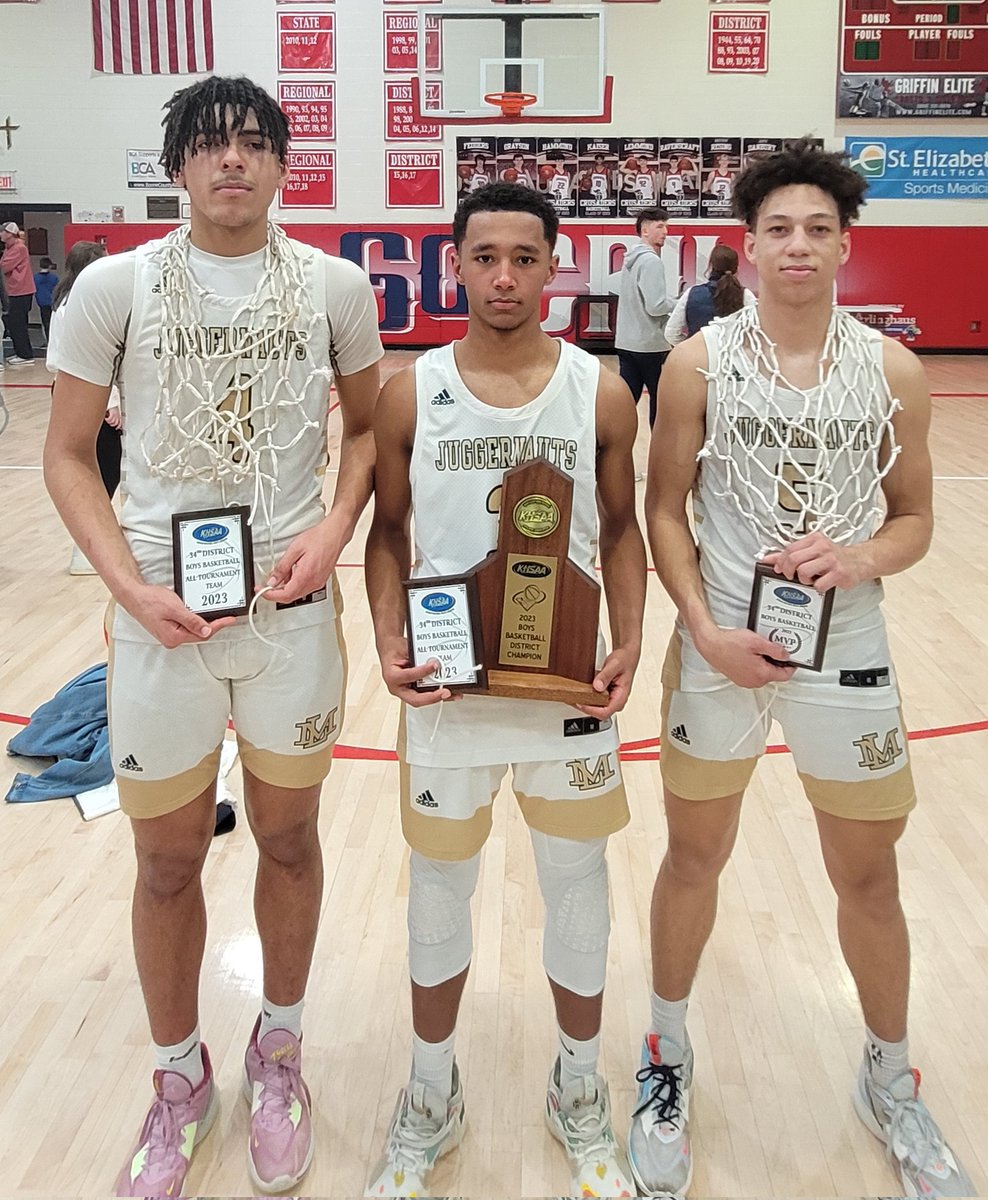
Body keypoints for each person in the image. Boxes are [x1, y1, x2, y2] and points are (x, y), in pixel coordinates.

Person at [43, 75, 383, 1197]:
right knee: (166, 859)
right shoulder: (111, 285)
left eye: (252, 145)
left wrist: (332, 528)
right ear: (176, 166)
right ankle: (177, 1077)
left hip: (288, 619)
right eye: (209, 146)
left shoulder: (335, 286)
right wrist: (128, 586)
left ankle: (277, 1050)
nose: (231, 162)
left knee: (288, 841)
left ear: (284, 166)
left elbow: (372, 432)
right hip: (159, 623)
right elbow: (65, 453)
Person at [632, 138, 973, 1197]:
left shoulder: (894, 371)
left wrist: (861, 554)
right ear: (745, 246)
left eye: (816, 229)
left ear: (842, 246)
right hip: (722, 649)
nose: (796, 245)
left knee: (868, 875)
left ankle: (888, 1076)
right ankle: (665, 1059)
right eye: (777, 228)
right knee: (695, 858)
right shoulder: (696, 362)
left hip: (848, 651)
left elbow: (915, 517)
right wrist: (700, 628)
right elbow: (662, 512)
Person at [364, 181, 646, 1198]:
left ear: (553, 266)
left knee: (577, 891)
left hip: (565, 688)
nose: (502, 276)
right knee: (438, 896)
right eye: (483, 255)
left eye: (524, 257)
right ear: (454, 265)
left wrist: (631, 640)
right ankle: (430, 1096)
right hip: (450, 694)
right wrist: (389, 637)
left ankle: (578, 1088)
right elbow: (386, 533)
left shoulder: (599, 391)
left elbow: (620, 530)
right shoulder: (411, 389)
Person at [46, 241, 125, 574]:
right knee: (100, 469)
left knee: (105, 467)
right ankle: (88, 547)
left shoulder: (66, 300)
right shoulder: (80, 304)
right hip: (89, 395)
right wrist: (112, 403)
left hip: (73, 390)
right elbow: (88, 366)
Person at [614, 206, 673, 430]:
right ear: (645, 231)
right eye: (660, 226)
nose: (666, 231)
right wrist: (679, 303)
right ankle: (658, 459)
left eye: (666, 226)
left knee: (625, 405)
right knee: (661, 406)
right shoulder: (651, 262)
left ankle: (609, 454)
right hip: (650, 345)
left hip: (626, 342)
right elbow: (656, 307)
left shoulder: (631, 258)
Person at [664, 244, 755, 346]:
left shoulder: (691, 293)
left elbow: (671, 334)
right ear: (737, 268)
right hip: (733, 359)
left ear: (711, 266)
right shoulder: (746, 296)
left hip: (699, 358)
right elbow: (757, 332)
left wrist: (690, 348)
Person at [0, 220, 36, 363]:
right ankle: (21, 352)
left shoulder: (19, 248)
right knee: (16, 323)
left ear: (10, 234)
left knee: (17, 323)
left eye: (3, 231)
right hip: (15, 290)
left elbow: (4, 267)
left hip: (21, 291)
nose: (1, 234)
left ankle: (25, 355)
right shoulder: (9, 248)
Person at [34, 256, 59, 343]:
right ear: (50, 266)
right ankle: (53, 340)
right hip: (52, 302)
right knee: (53, 322)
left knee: (45, 322)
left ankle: (48, 340)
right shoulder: (54, 278)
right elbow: (56, 290)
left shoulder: (36, 278)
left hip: (41, 302)